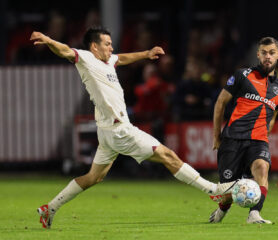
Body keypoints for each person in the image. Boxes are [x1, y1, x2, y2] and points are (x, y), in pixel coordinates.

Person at [30, 27, 236, 229]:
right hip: (119, 131)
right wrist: (48, 40)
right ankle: (213, 190)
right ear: (94, 46)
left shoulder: (109, 60)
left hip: (107, 131)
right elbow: (64, 50)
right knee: (168, 155)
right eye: (107, 44)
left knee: (94, 177)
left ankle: (51, 207)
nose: (111, 48)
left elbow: (122, 58)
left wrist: (146, 54)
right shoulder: (86, 58)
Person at [209, 37, 278, 224]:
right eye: (264, 52)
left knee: (262, 168)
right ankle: (222, 209)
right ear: (258, 54)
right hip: (233, 138)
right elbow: (220, 103)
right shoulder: (241, 75)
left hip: (258, 139)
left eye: (271, 52)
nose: (267, 56)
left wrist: (265, 136)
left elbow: (273, 116)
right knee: (228, 191)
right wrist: (216, 137)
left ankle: (254, 214)